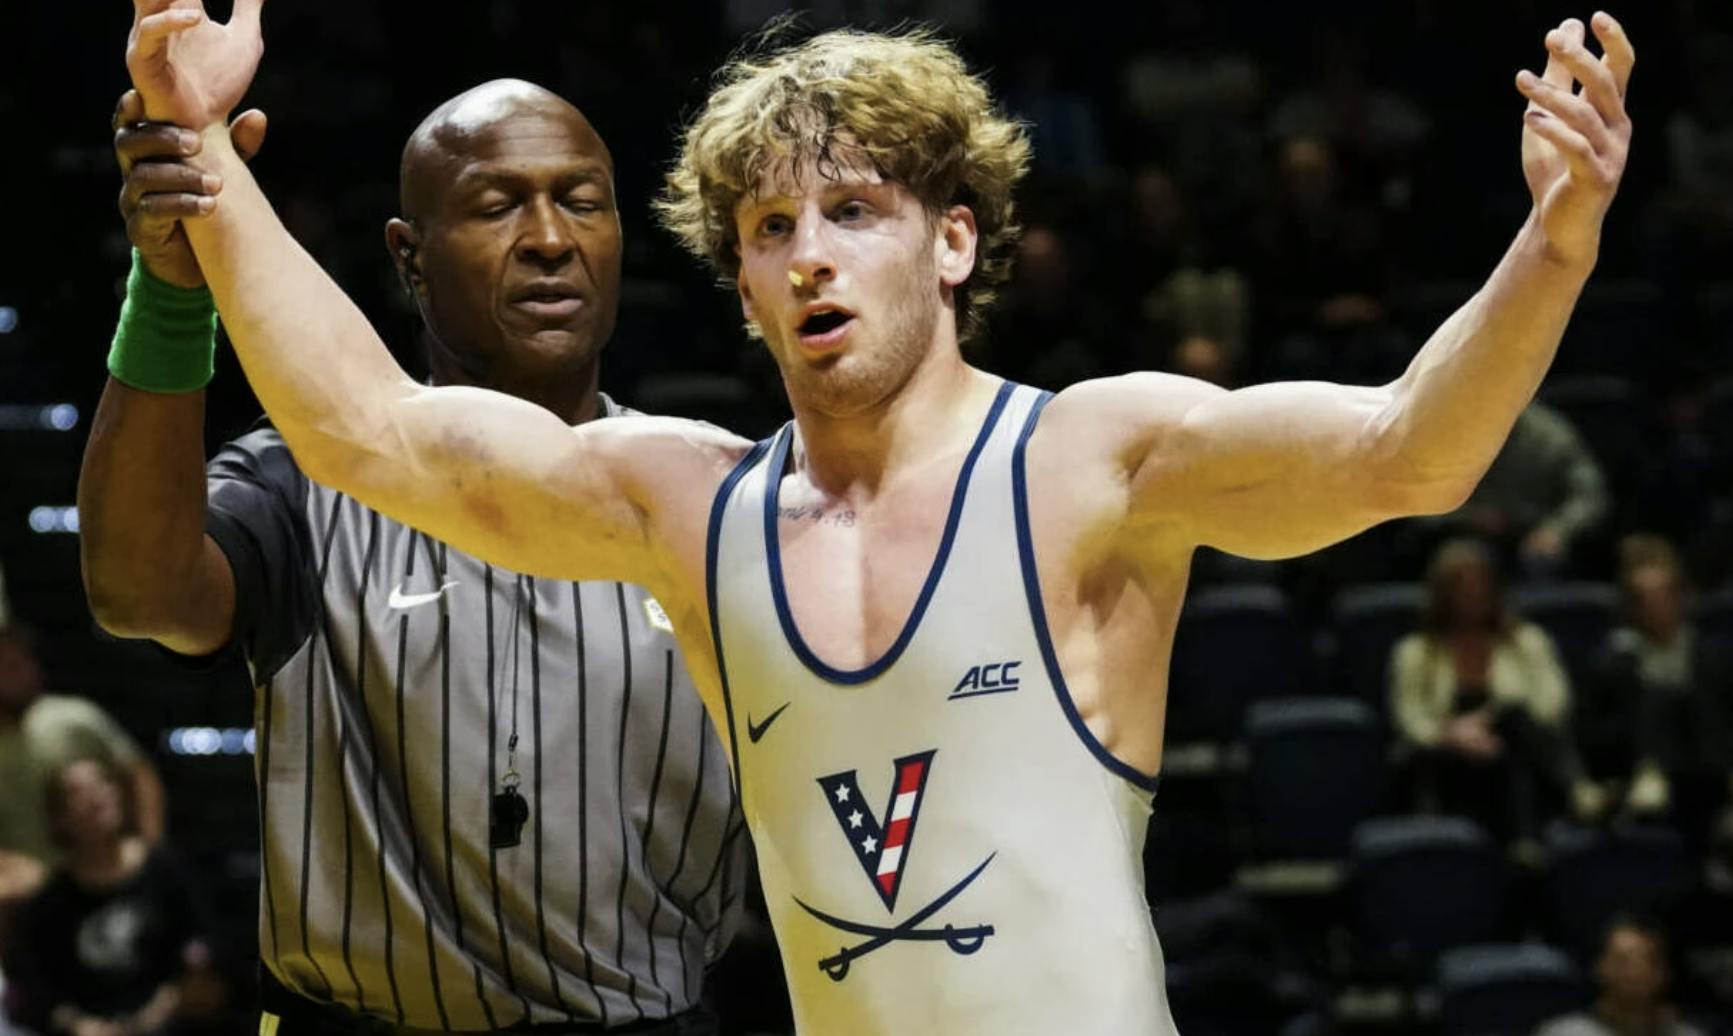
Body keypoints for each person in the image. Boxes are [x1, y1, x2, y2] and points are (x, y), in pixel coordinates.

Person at [123, 5, 1634, 1031]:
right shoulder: (689, 505)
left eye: (854, 211)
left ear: (955, 239)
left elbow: (1403, 456)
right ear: (742, 284)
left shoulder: (1087, 463)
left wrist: (1554, 241)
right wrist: (196, 147)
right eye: (772, 229)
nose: (811, 258)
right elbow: (366, 434)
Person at [79, 80, 742, 1032]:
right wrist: (175, 294)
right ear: (410, 257)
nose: (551, 238)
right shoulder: (298, 479)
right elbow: (139, 593)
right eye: (497, 205)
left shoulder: (715, 492)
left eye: (582, 200)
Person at [1389, 539, 1595, 841]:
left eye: (1480, 584)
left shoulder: (1527, 642)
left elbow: (1554, 704)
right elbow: (1410, 718)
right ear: (1443, 593)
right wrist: (1453, 735)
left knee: (1516, 721)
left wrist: (1488, 722)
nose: (1472, 594)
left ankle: (1530, 836)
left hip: (1516, 749)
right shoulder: (1416, 652)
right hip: (1448, 759)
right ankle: (1575, 792)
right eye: (1461, 586)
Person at [1, 759, 217, 1036]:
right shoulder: (51, 900)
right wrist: (78, 1024)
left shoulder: (165, 872)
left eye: (102, 784)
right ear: (60, 818)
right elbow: (34, 986)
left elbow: (202, 945)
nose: (94, 797)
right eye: (77, 792)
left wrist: (168, 1003)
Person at [0, 626, 165, 914]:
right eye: (6, 667)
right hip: (27, 886)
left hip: (96, 874)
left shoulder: (72, 718)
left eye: (19, 664)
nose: (16, 674)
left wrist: (148, 850)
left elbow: (137, 773)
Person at [1579, 535, 1732, 831]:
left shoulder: (1712, 657)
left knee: (1694, 700)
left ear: (1681, 598)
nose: (1657, 608)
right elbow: (1594, 736)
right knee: (1660, 698)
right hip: (1636, 775)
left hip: (1708, 770)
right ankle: (1652, 774)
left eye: (1665, 597)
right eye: (1646, 601)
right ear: (1631, 608)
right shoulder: (1613, 664)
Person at [1536, 915, 1710, 1036]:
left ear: (1666, 972)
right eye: (1623, 961)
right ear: (1599, 967)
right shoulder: (1561, 1033)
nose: (1637, 971)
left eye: (1650, 960)